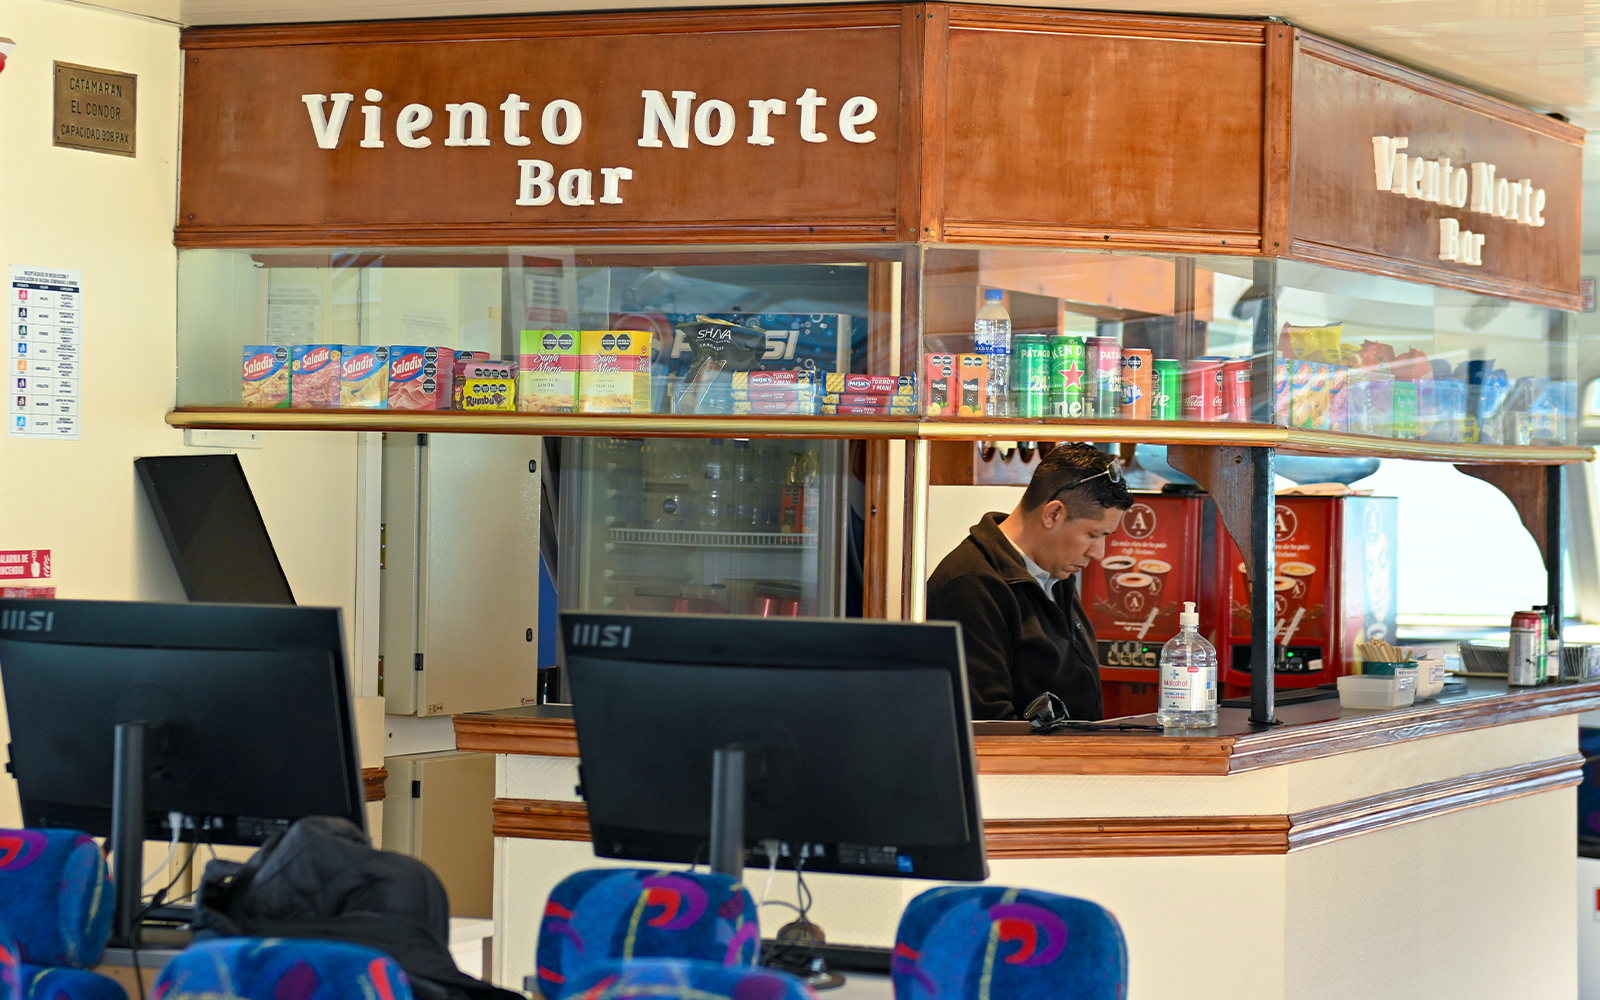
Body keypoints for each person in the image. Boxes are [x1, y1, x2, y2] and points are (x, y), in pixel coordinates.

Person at [927, 444, 1133, 721]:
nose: (1099, 553)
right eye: (1093, 535)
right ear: (1052, 514)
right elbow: (988, 724)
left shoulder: (1053, 571)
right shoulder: (970, 586)